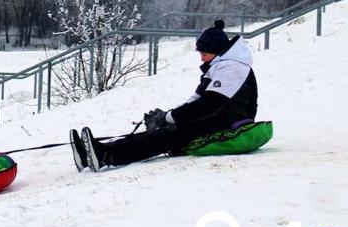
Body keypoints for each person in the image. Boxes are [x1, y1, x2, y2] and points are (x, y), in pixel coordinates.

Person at [71, 19, 258, 172]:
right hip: (218, 117)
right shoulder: (222, 65)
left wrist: (170, 118)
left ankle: (104, 156)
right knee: (165, 130)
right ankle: (91, 155)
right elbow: (196, 99)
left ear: (217, 52)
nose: (201, 58)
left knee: (169, 135)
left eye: (204, 54)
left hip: (230, 121)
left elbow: (209, 104)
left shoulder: (233, 67)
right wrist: (169, 116)